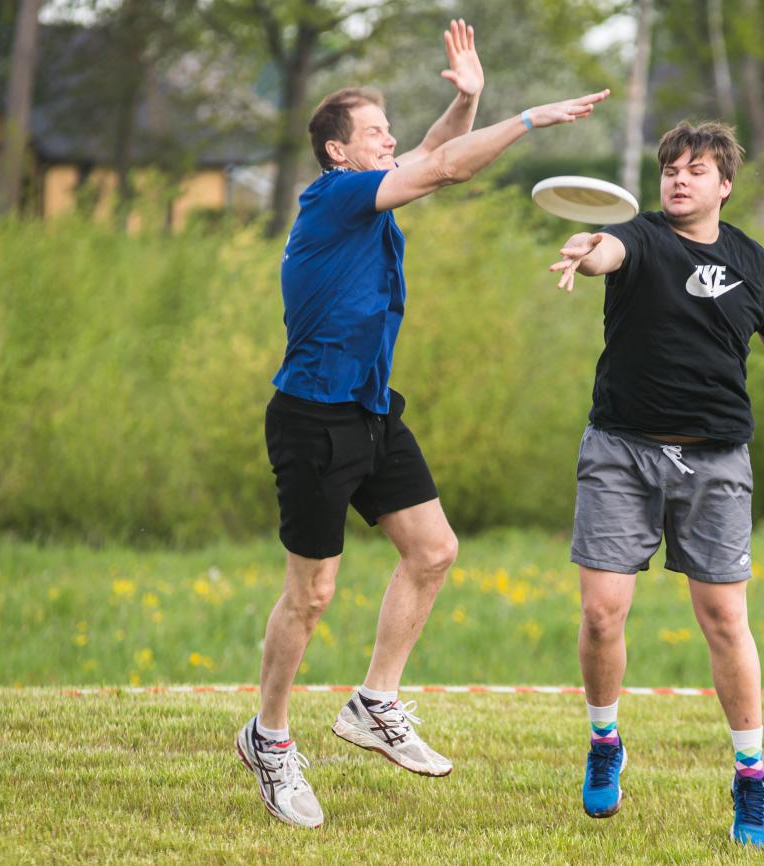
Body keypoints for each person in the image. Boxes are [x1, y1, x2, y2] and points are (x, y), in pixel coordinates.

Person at [235, 19, 609, 829]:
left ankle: (374, 703)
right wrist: (527, 119)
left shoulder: (367, 197)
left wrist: (469, 99)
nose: (389, 139)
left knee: (434, 550)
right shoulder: (335, 199)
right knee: (312, 594)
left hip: (371, 410)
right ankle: (268, 738)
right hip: (311, 419)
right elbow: (443, 167)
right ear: (338, 151)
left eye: (388, 131)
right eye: (375, 132)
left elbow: (434, 155)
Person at [548, 121, 764, 847]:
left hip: (716, 463)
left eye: (696, 170)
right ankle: (605, 742)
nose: (679, 179)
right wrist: (587, 248)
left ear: (725, 184)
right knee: (601, 614)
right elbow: (608, 252)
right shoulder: (640, 238)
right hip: (621, 452)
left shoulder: (752, 262)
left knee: (724, 621)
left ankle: (750, 776)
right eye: (671, 169)